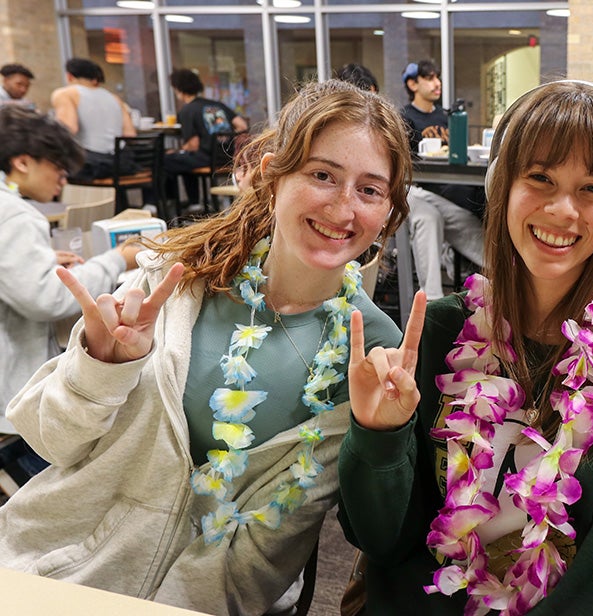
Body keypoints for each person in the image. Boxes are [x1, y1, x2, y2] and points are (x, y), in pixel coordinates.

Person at [0, 79, 412, 614]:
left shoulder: (372, 352)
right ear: (272, 176)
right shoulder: (171, 282)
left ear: (388, 213)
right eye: (322, 175)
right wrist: (99, 369)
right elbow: (48, 439)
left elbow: (266, 555)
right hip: (45, 574)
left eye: (370, 189)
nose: (342, 208)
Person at [338, 80, 593, 614]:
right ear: (502, 186)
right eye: (540, 178)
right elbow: (381, 542)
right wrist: (379, 436)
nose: (563, 210)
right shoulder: (437, 333)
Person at [0, 105, 140, 477]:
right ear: (24, 162)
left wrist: (40, 258)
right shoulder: (14, 214)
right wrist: (117, 260)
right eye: (58, 169)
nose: (62, 180)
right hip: (9, 388)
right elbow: (47, 298)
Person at [399, 59, 486, 301]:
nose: (437, 83)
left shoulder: (445, 116)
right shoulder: (405, 118)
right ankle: (431, 302)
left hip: (446, 190)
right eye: (430, 78)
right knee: (430, 216)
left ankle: (501, 276)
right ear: (413, 84)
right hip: (414, 189)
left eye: (438, 77)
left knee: (472, 213)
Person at [165, 68, 248, 207]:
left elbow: (193, 145)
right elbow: (242, 125)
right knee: (184, 159)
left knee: (167, 160)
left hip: (207, 158)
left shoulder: (187, 110)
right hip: (228, 156)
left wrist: (177, 150)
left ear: (178, 89)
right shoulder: (217, 105)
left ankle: (188, 203)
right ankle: (197, 203)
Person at [51, 58, 137, 182]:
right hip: (122, 164)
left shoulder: (66, 94)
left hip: (90, 166)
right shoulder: (114, 98)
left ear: (69, 76)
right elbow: (130, 134)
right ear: (95, 79)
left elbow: (68, 129)